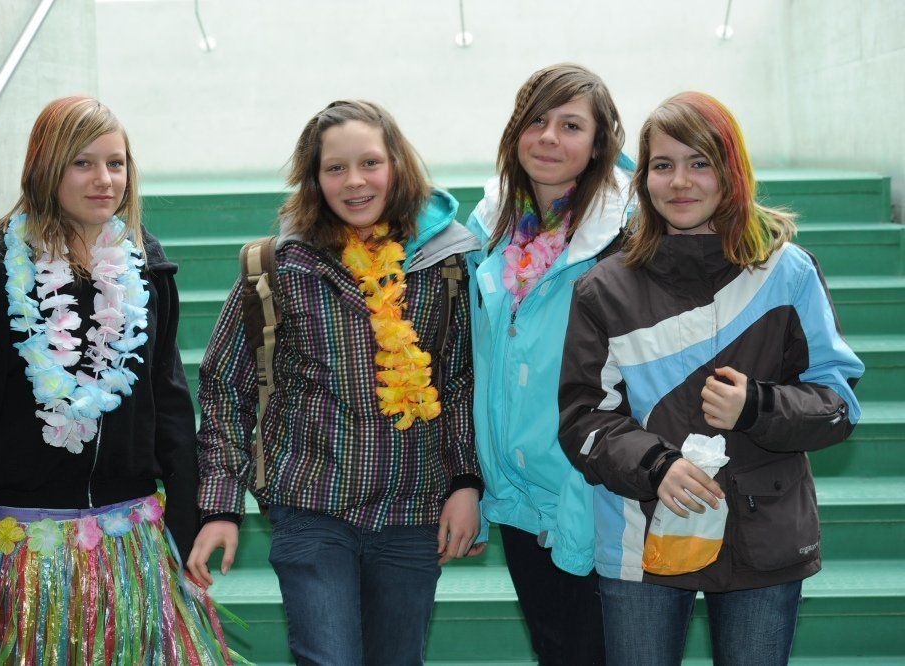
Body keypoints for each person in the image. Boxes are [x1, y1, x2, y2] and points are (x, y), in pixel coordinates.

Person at [557, 91, 865, 666]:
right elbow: (583, 420)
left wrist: (759, 407)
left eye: (700, 163)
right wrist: (655, 465)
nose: (680, 182)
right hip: (641, 535)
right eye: (663, 164)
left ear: (732, 171)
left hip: (764, 534)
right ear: (643, 178)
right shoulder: (604, 288)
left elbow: (838, 402)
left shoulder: (788, 271)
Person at [0, 96, 232, 664]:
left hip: (130, 546)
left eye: (116, 163)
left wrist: (188, 527)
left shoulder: (146, 265)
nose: (103, 180)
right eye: (82, 163)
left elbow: (168, 404)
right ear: (46, 169)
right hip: (25, 553)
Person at [188, 100, 483, 665]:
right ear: (313, 178)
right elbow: (226, 387)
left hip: (412, 511)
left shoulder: (443, 265)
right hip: (311, 507)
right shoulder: (279, 268)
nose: (354, 181)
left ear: (397, 165)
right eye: (335, 168)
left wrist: (465, 482)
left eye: (370, 163)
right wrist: (221, 505)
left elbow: (460, 382)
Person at [466, 63, 631, 664]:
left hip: (595, 487)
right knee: (557, 649)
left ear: (598, 145)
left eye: (571, 126)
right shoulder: (490, 228)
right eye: (536, 121)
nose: (549, 138)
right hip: (519, 492)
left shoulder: (626, 234)